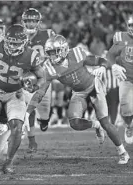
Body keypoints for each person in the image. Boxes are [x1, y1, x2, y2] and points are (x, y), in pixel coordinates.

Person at [25, 34, 130, 165]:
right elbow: (40, 92)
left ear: (63, 49)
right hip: (79, 92)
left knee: (105, 123)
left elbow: (99, 60)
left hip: (94, 87)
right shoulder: (49, 68)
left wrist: (103, 67)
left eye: (55, 52)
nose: (52, 56)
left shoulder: (76, 54)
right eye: (49, 53)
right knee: (74, 123)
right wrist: (28, 112)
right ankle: (95, 125)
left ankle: (122, 152)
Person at [0, 24, 43, 174]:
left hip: (16, 93)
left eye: (16, 43)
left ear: (24, 42)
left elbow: (42, 77)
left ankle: (8, 163)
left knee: (17, 127)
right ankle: (2, 126)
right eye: (10, 42)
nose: (12, 46)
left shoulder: (31, 55)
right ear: (5, 40)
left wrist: (34, 87)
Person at [21, 8, 55, 153]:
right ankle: (32, 140)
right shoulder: (19, 35)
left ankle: (45, 119)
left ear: (38, 22)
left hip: (44, 76)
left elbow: (56, 51)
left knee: (45, 110)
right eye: (27, 21)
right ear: (24, 22)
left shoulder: (48, 34)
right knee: (29, 107)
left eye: (33, 21)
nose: (30, 23)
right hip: (27, 76)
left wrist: (48, 58)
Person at [106, 15, 133, 144]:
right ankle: (129, 126)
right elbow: (110, 54)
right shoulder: (121, 38)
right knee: (126, 109)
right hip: (126, 78)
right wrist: (114, 65)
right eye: (131, 25)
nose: (132, 28)